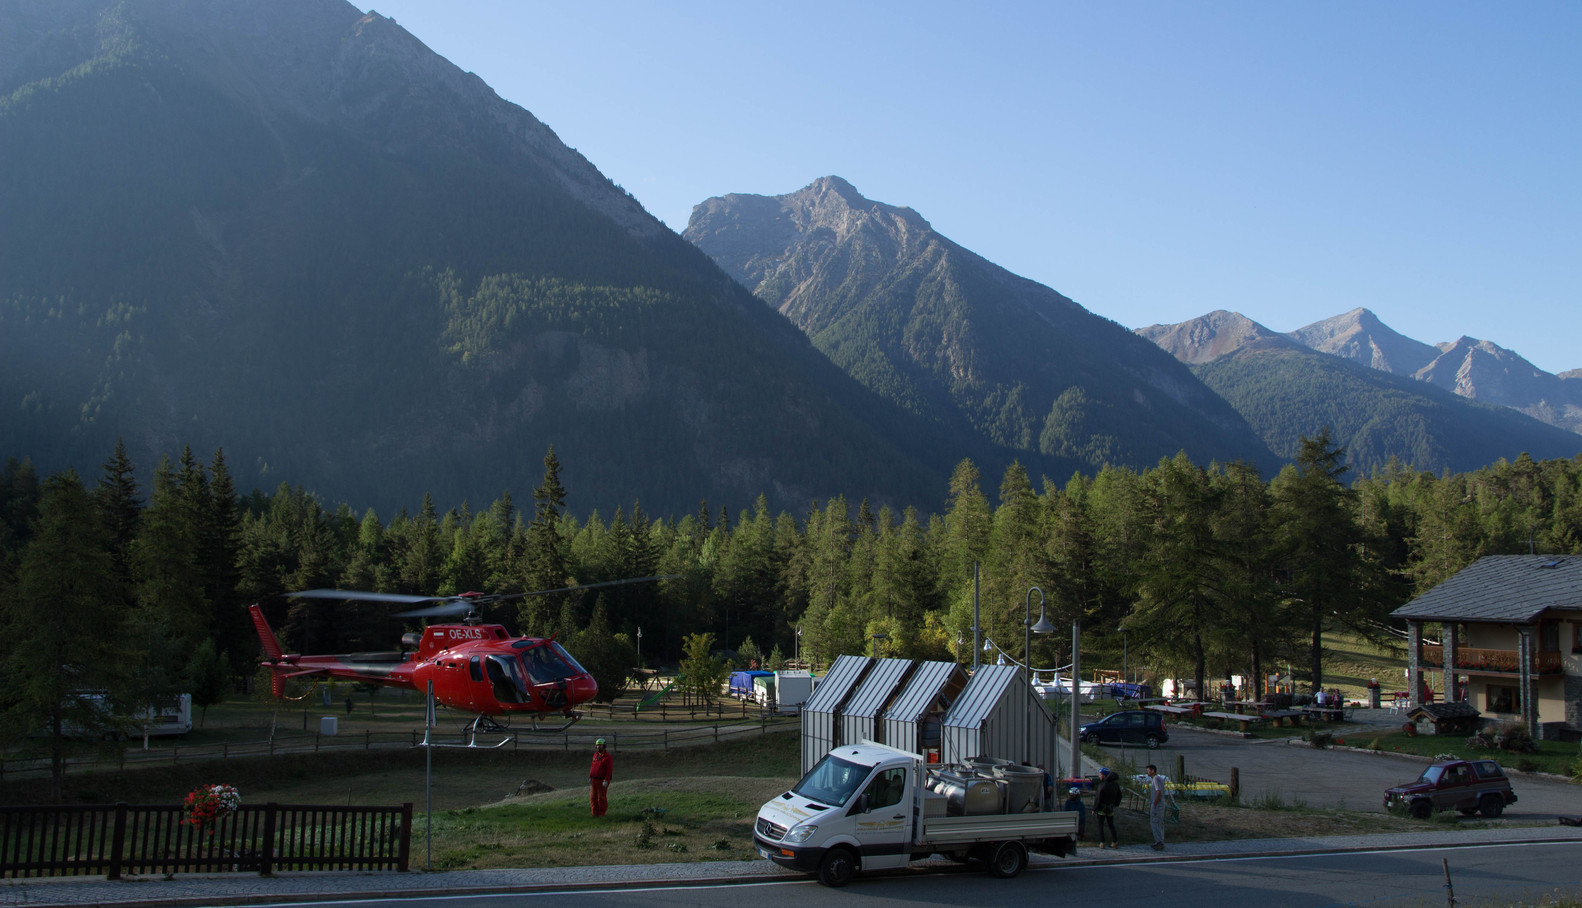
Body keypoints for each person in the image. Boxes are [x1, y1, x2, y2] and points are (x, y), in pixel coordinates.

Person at [1094, 767, 1121, 849]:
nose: (1099, 776)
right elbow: (1119, 796)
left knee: (1100, 826)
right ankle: (1115, 842)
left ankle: (1102, 843)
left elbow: (1098, 798)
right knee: (1111, 825)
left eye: (1100, 775)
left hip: (1101, 808)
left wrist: (1094, 809)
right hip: (1110, 808)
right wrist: (1115, 804)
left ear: (1104, 775)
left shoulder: (1102, 785)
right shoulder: (1115, 785)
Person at [589, 738, 613, 817]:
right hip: (594, 780)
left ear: (604, 746)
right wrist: (590, 776)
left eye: (600, 745)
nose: (598, 747)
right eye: (597, 745)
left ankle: (601, 813)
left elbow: (609, 770)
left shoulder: (607, 757)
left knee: (601, 798)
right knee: (593, 798)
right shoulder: (595, 755)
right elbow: (593, 766)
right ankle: (594, 813)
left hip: (602, 781)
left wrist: (606, 780)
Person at [1146, 763, 1166, 850]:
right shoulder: (1159, 778)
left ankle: (1159, 842)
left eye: (1148, 770)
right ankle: (1160, 841)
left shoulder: (1156, 779)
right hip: (1160, 804)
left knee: (1155, 823)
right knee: (1159, 823)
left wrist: (1154, 803)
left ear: (1153, 770)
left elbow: (1158, 791)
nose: (1147, 772)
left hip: (1157, 805)